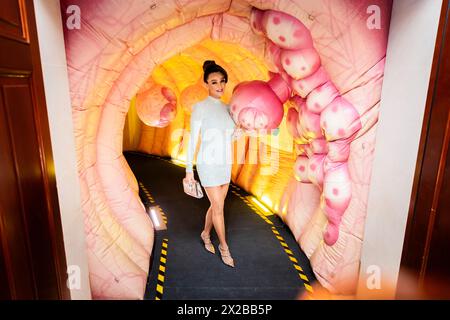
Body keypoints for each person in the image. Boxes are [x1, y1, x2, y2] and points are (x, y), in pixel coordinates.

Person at [184, 60, 243, 268]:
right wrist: (188, 171)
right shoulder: (200, 108)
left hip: (224, 163)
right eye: (214, 82)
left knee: (216, 205)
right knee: (219, 208)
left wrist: (239, 132)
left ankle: (205, 234)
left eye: (222, 81)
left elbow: (228, 138)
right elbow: (192, 139)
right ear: (206, 84)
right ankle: (224, 247)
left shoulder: (229, 109)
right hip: (207, 164)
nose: (219, 86)